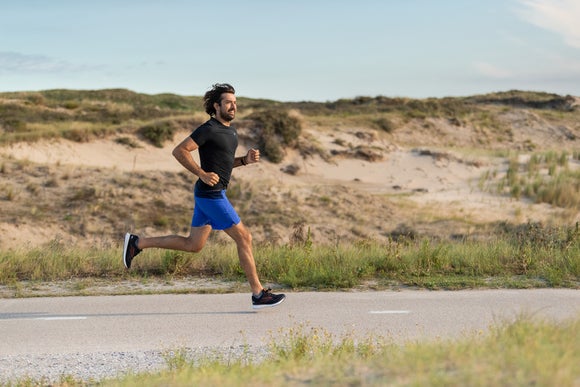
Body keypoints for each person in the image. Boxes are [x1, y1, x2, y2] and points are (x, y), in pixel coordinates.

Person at [123, 83, 285, 310]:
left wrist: (244, 161)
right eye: (228, 102)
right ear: (216, 106)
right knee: (244, 238)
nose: (233, 106)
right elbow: (180, 150)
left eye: (235, 103)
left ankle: (137, 243)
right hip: (212, 196)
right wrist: (200, 172)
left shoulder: (231, 131)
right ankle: (258, 294)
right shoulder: (208, 128)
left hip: (208, 194)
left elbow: (225, 165)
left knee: (193, 245)